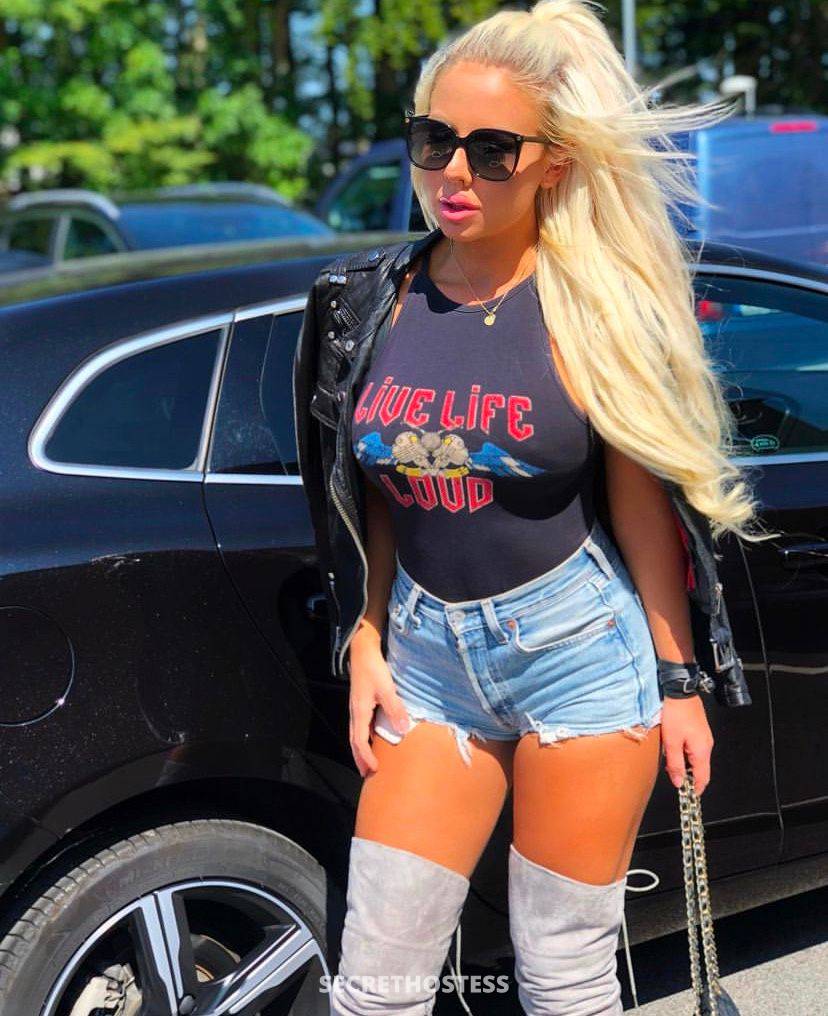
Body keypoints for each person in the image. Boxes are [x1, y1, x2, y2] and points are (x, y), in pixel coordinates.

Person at [307, 1, 766, 1012]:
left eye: (492, 150)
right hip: (424, 661)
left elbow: (641, 509)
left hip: (578, 652)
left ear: (554, 162)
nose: (454, 173)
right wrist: (367, 636)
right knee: (374, 982)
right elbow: (368, 491)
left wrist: (677, 680)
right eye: (434, 140)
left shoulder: (594, 305)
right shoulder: (370, 300)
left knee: (563, 978)